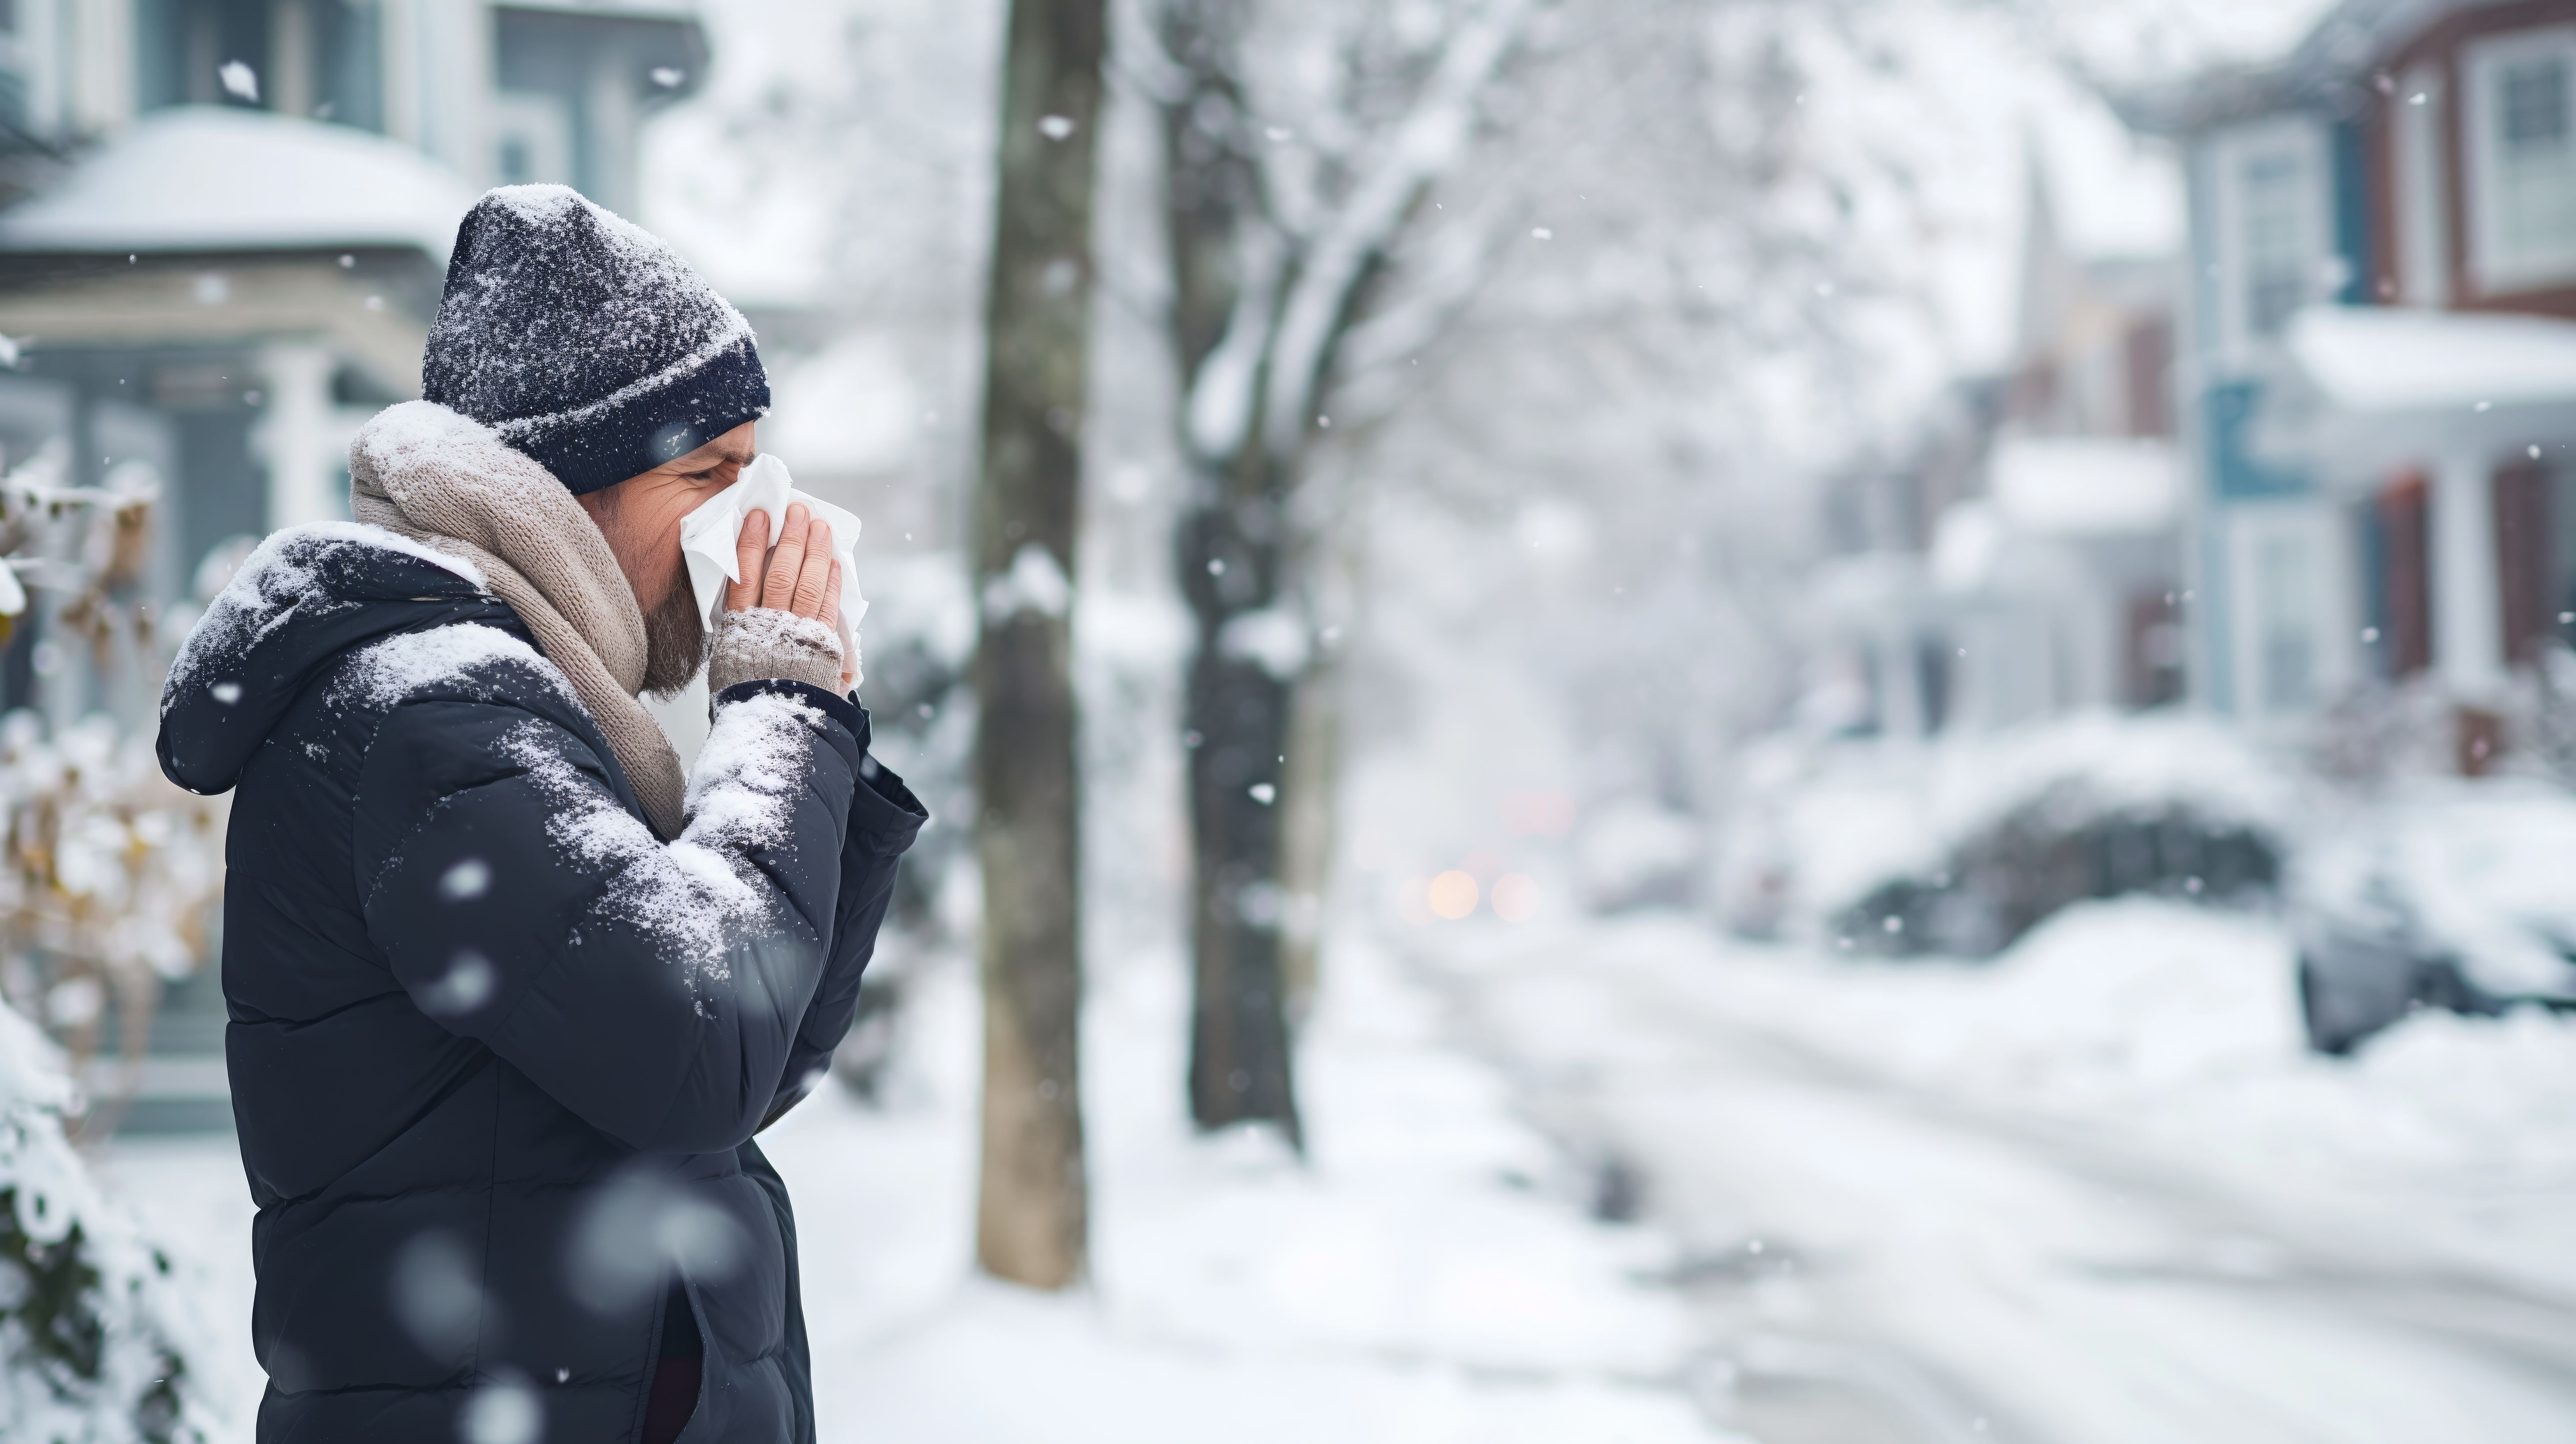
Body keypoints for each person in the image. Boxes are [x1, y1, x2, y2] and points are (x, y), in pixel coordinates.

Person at [155, 184, 924, 1444]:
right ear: (562, 492)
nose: (756, 515)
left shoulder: (544, 706)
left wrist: (812, 736)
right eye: (707, 474)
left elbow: (759, 1060)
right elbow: (701, 1051)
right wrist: (784, 708)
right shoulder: (434, 716)